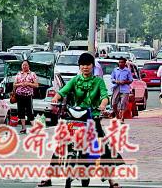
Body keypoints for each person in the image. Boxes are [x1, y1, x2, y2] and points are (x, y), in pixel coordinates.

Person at [38, 52, 120, 188]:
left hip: (92, 118)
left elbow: (104, 96)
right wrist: (56, 98)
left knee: (103, 147)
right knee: (61, 145)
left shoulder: (98, 81)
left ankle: (112, 179)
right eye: (82, 65)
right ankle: (48, 177)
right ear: (79, 67)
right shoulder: (75, 80)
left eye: (88, 65)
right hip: (75, 118)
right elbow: (63, 91)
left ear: (93, 66)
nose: (85, 67)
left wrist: (103, 105)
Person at [14, 60, 38, 134]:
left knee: (29, 111)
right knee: (20, 111)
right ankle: (23, 128)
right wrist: (21, 84)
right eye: (23, 65)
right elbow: (14, 84)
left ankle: (34, 128)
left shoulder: (32, 74)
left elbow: (36, 85)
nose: (24, 66)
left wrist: (28, 84)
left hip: (28, 96)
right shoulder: (18, 74)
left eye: (26, 65)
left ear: (28, 66)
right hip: (19, 95)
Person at [111, 57, 133, 123]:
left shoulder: (127, 71)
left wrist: (125, 82)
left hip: (125, 89)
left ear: (125, 63)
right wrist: (116, 81)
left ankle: (122, 117)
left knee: (123, 103)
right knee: (114, 103)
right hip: (116, 88)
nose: (120, 63)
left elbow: (131, 80)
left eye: (122, 62)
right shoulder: (115, 70)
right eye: (119, 62)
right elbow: (112, 78)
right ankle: (117, 115)